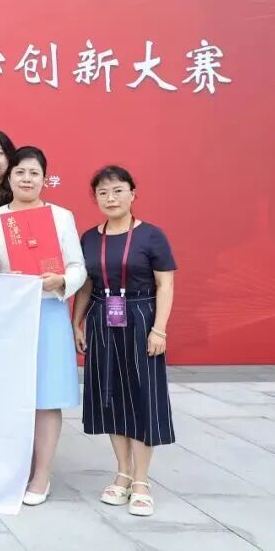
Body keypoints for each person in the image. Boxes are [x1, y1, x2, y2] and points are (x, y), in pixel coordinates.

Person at [73, 165, 176, 518]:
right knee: (111, 395)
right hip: (102, 319)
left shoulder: (151, 236)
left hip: (141, 317)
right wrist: (77, 324)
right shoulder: (89, 238)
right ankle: (123, 473)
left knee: (143, 397)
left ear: (133, 193)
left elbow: (165, 284)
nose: (111, 198)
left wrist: (159, 329)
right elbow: (86, 285)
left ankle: (142, 481)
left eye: (118, 190)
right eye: (103, 193)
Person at [0, 146, 85, 506]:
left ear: (45, 179)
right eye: (20, 172)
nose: (26, 179)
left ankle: (41, 475)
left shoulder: (60, 216)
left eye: (34, 173)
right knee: (9, 394)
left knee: (46, 396)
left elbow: (78, 267)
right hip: (9, 316)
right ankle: (14, 470)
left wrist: (61, 281)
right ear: (9, 176)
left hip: (48, 312)